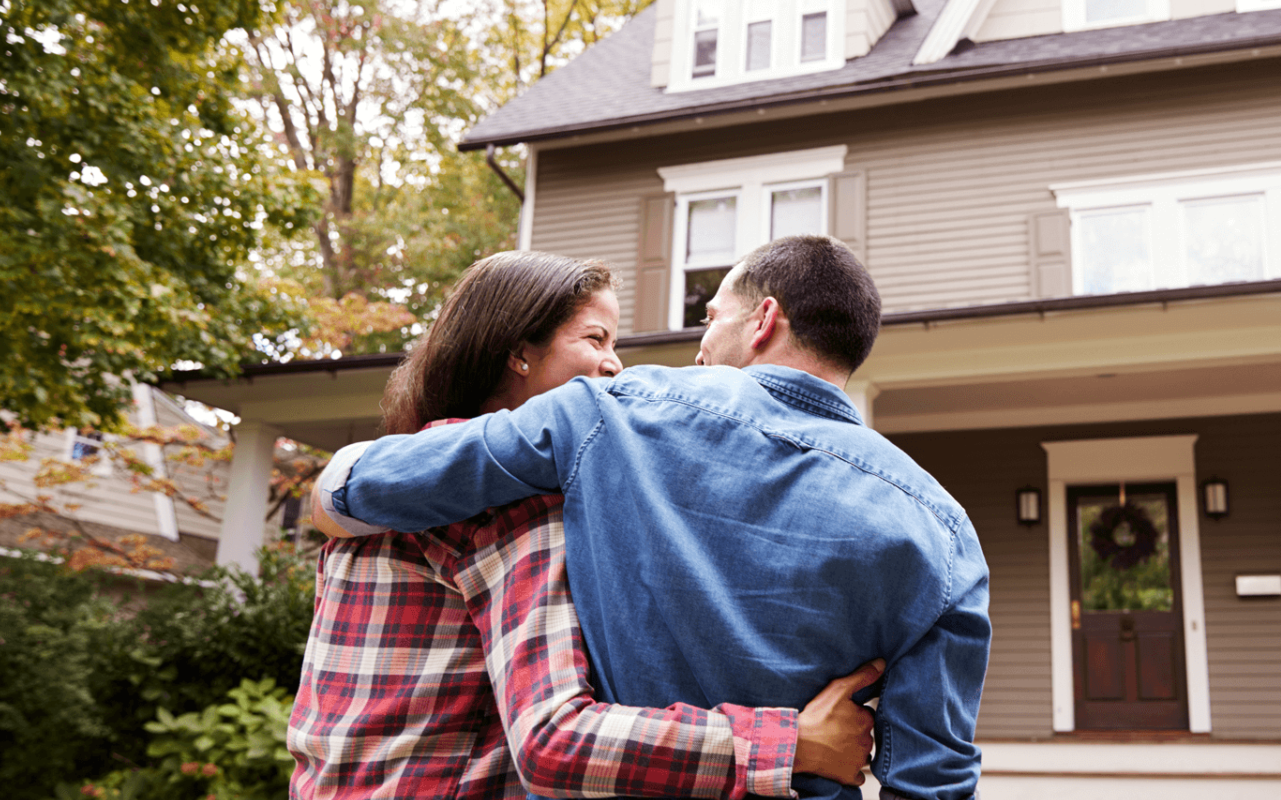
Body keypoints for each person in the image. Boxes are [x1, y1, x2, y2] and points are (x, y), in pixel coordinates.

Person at [315, 236, 990, 800]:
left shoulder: (610, 413)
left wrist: (335, 485)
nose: (698, 345)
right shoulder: (947, 530)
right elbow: (933, 778)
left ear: (762, 322)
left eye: (711, 319)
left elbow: (374, 482)